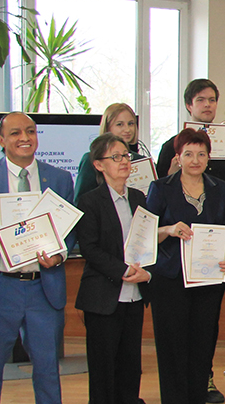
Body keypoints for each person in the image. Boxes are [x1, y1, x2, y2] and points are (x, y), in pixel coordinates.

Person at [0, 111, 75, 404]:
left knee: (48, 369)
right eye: (15, 133)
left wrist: (59, 255)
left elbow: (70, 229)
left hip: (43, 286)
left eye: (30, 131)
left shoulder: (59, 178)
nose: (24, 138)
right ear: (1, 140)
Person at [145, 128, 225, 404]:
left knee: (202, 345)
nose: (195, 160)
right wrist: (168, 229)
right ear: (178, 157)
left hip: (208, 280)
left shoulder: (219, 188)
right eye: (188, 154)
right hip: (170, 279)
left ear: (209, 157)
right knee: (172, 347)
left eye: (201, 154)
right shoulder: (161, 187)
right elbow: (145, 234)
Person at [73, 133, 151, 404]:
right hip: (103, 296)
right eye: (116, 157)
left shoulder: (138, 198)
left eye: (126, 156)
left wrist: (146, 272)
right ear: (98, 165)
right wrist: (122, 270)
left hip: (134, 294)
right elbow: (89, 248)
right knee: (103, 369)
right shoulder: (89, 201)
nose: (124, 161)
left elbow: (146, 241)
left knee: (130, 366)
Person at [157, 80, 225, 224]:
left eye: (212, 100)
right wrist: (171, 174)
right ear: (188, 105)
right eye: (200, 100)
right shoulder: (171, 146)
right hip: (180, 224)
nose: (207, 104)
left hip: (216, 224)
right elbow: (158, 195)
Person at [74, 103, 149, 203]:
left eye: (131, 123)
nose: (127, 129)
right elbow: (80, 201)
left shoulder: (141, 160)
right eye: (120, 124)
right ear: (107, 127)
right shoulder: (91, 159)